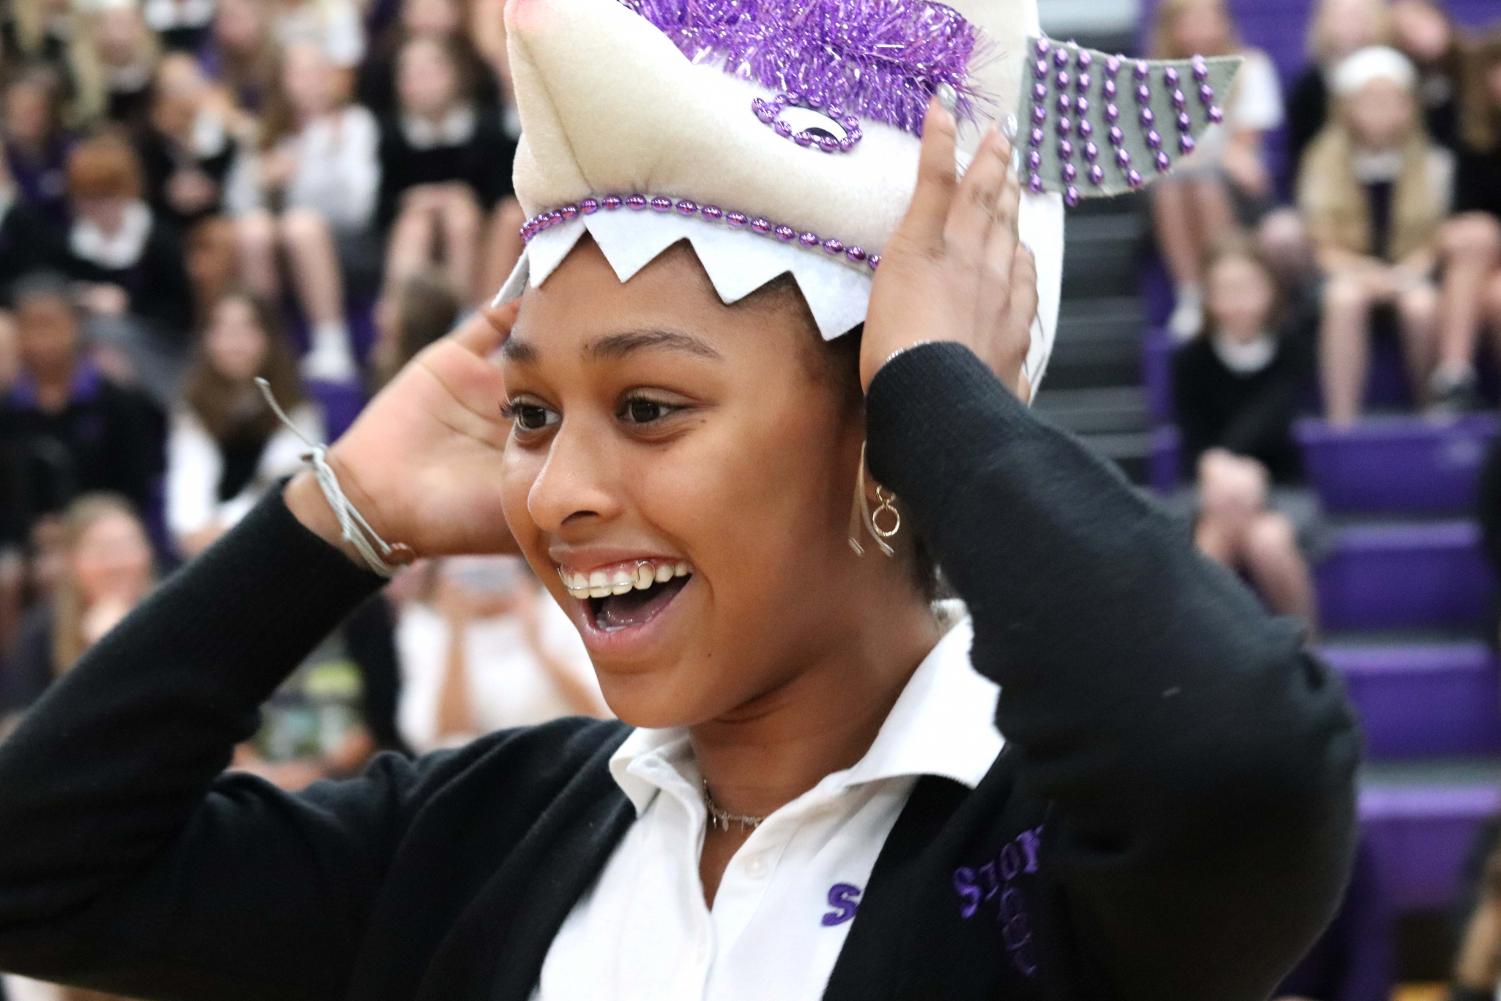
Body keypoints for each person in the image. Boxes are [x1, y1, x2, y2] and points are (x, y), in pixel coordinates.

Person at [0, 5, 1356, 1000]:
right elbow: (37, 867)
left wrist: (941, 396)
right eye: (532, 415)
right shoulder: (477, 837)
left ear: (887, 440)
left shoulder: (1058, 866)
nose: (557, 488)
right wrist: (346, 508)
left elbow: (1232, 758)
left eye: (647, 406)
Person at [1298, 46, 1451, 425]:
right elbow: (1321, 243)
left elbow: (1434, 240)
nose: (1379, 111)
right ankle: (1342, 418)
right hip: (1346, 273)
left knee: (1422, 306)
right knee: (1344, 300)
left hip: (1411, 274)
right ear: (1347, 107)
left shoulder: (1434, 162)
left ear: (1408, 107)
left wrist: (1405, 274)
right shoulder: (1321, 161)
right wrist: (1365, 273)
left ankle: (1432, 410)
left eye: (1390, 101)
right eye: (1369, 101)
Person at [1172, 240, 1319, 628]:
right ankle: (1205, 661)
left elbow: (1273, 417)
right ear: (1208, 297)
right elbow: (1193, 436)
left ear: (1270, 290)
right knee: (1215, 532)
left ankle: (1305, 660)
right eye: (1226, 290)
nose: (1238, 301)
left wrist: (1234, 466)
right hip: (1208, 486)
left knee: (1268, 541)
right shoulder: (1191, 358)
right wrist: (1216, 468)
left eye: (1247, 287)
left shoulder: (1291, 349)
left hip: (1282, 487)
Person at [227, 40, 380, 383]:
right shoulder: (265, 129)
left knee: (301, 225)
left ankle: (331, 341)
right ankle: (268, 345)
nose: (309, 81)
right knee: (253, 230)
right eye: (298, 73)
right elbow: (236, 205)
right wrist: (260, 182)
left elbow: (358, 208)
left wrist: (299, 176)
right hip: (274, 246)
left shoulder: (352, 124)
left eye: (316, 71)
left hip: (344, 244)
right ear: (282, 81)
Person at [1149, 0, 1290, 341]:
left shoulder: (1251, 66)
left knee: (1204, 185)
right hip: (1176, 185)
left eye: (1206, 19)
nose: (1198, 29)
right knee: (1173, 184)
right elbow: (1158, 151)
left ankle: (1223, 286)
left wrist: (1198, 158)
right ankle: (1192, 293)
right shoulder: (1153, 77)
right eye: (1188, 21)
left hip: (1234, 189)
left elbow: (1242, 147)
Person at [0, 273, 162, 552]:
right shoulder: (8, 409)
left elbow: (138, 486)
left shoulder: (118, 402)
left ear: (76, 324)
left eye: (51, 325)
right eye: (30, 327)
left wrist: (79, 530)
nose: (42, 340)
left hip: (108, 538)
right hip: (27, 549)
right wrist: (25, 535)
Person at [165, 290, 322, 559]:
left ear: (268, 338)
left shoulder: (294, 407)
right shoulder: (193, 406)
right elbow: (189, 475)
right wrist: (193, 531)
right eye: (222, 329)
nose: (234, 342)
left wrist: (222, 529)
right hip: (205, 549)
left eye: (246, 329)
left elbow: (280, 484)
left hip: (272, 541)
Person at [394, 556, 605, 753]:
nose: (485, 584)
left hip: (568, 752)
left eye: (493, 573)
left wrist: (536, 643)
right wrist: (456, 635)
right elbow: (443, 736)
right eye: (472, 577)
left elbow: (600, 710)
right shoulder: (423, 628)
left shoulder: (558, 609)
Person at [58, 133, 195, 405]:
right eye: (87, 199)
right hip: (93, 353)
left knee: (105, 332)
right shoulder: (71, 243)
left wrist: (127, 304)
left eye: (105, 197)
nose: (96, 209)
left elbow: (183, 316)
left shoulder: (158, 239)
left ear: (127, 191)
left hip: (162, 347)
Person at [0, 495, 153, 738]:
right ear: (72, 562)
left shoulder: (175, 617)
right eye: (103, 551)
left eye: (127, 546)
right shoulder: (41, 631)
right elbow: (16, 728)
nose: (117, 562)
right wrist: (98, 656)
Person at [377, 34, 513, 307]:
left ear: (455, 74)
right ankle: (401, 317)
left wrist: (458, 197)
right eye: (411, 73)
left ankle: (461, 316)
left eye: (431, 71)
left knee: (459, 218)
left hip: (474, 226)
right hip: (414, 225)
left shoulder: (487, 129)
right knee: (415, 227)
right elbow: (381, 208)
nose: (423, 82)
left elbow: (502, 193)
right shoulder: (390, 136)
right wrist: (421, 199)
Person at [1430, 30, 1501, 412]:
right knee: (1476, 236)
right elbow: (1459, 216)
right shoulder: (1470, 136)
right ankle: (1454, 375)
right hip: (1479, 261)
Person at [1287, 0, 1391, 172]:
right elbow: (1301, 151)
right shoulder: (1309, 86)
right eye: (1341, 16)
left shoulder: (1395, 73)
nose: (1349, 23)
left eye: (1357, 14)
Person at [1, 67, 73, 223]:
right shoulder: (3, 160)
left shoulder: (70, 150)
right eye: (19, 112)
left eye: (34, 111)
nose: (27, 119)